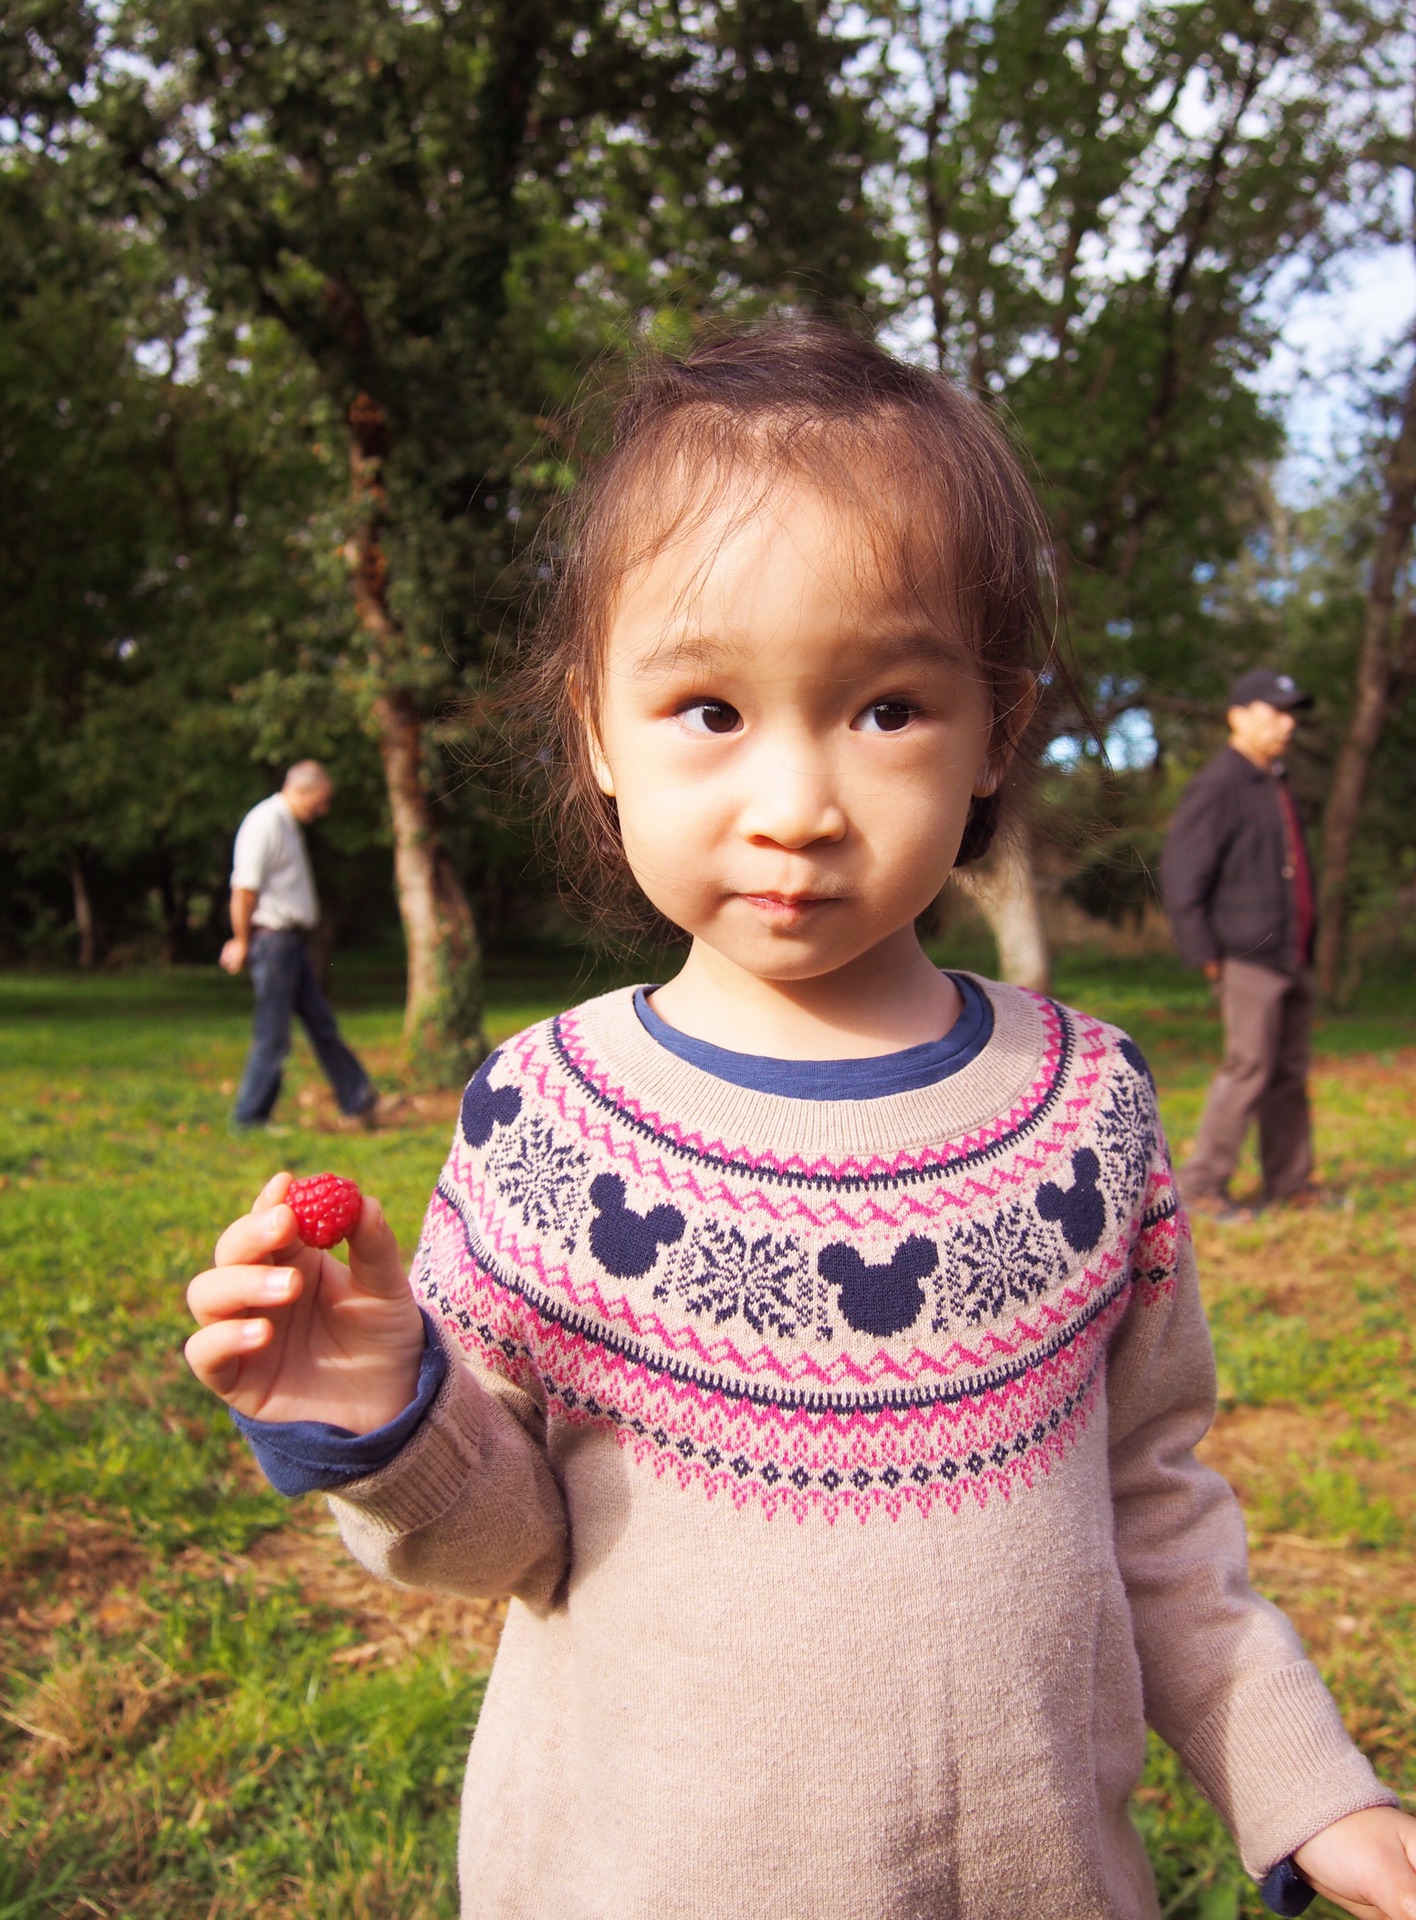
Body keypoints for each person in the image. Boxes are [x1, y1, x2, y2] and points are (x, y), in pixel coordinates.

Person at [184, 328, 1416, 1920]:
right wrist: (385, 1407)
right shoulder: (549, 1122)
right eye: (706, 706)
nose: (797, 803)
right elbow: (508, 1540)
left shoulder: (1087, 1109)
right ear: (594, 735)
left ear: (997, 731)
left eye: (888, 707)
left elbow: (1154, 1501)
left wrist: (1306, 1781)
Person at [1160, 670, 1318, 1216]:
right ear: (1238, 716)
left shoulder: (1273, 779)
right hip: (1247, 954)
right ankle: (1202, 1185)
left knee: (1289, 1073)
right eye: (1274, 711)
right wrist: (1205, 954)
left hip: (1290, 953)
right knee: (1249, 1067)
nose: (1286, 723)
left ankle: (1291, 1182)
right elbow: (1183, 874)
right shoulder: (1221, 783)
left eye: (1290, 712)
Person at [221, 760, 378, 1131]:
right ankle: (249, 1118)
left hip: (289, 944)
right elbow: (244, 890)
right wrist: (241, 941)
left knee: (321, 1022)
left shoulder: (287, 825)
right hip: (273, 943)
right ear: (302, 790)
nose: (322, 810)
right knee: (273, 1034)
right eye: (320, 802)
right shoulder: (265, 823)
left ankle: (358, 1098)